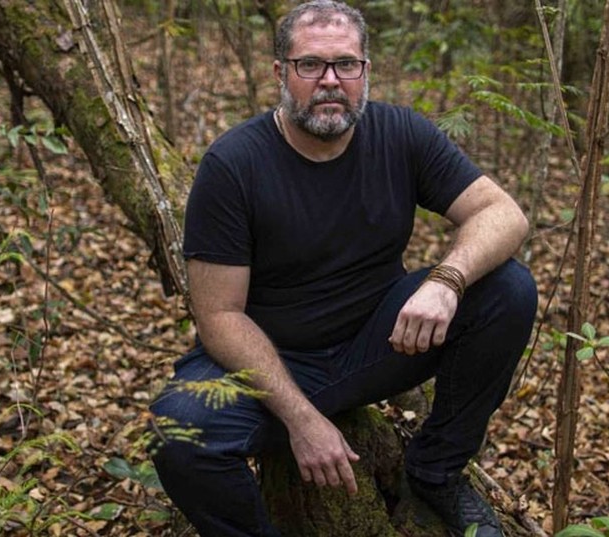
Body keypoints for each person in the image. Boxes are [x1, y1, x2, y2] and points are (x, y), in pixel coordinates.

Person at [148, 1, 538, 536]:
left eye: (345, 64)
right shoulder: (234, 164)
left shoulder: (401, 134)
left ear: (365, 72)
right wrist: (302, 418)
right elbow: (218, 315)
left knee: (508, 289)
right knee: (178, 434)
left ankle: (436, 470)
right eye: (311, 65)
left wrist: (446, 281)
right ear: (281, 72)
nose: (330, 81)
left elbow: (503, 214)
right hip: (274, 357)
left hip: (379, 343)